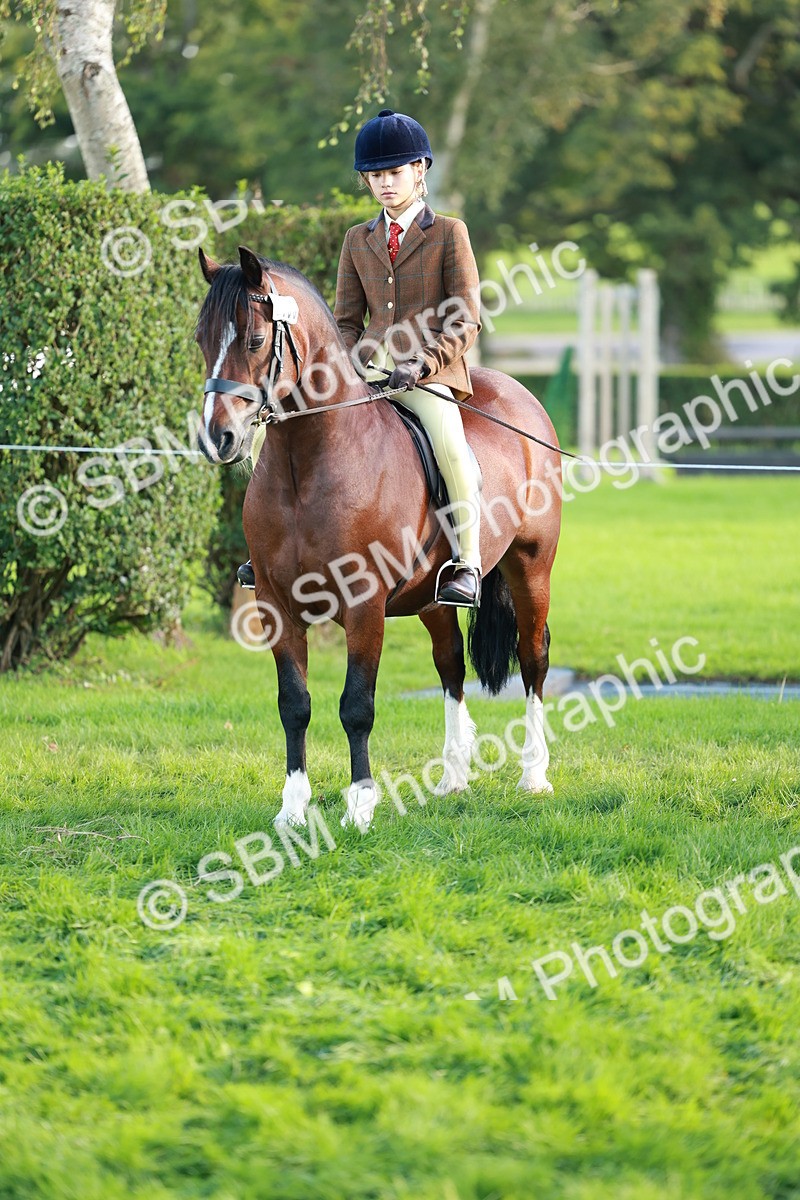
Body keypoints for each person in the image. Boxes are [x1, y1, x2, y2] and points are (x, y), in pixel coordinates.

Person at [238, 108, 483, 606]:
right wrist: (339, 370)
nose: (385, 184)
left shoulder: (449, 233)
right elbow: (346, 321)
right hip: (365, 370)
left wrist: (425, 363)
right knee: (272, 425)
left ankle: (468, 563)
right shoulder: (358, 239)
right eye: (375, 176)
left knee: (450, 444)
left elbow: (466, 320)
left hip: (426, 373)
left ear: (420, 170)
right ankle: (265, 550)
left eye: (395, 173)